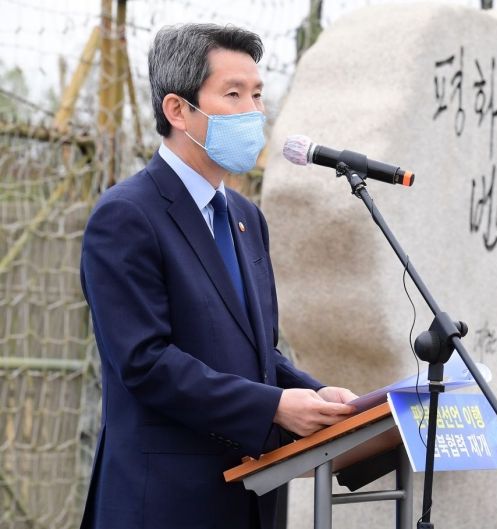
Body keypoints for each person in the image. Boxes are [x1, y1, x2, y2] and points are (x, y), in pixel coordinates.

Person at [79, 23, 357, 529]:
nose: (253, 111)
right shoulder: (127, 216)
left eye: (257, 94)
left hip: (251, 496)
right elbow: (145, 362)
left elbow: (257, 353)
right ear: (177, 110)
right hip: (164, 502)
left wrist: (318, 397)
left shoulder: (248, 219)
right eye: (232, 94)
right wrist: (274, 406)